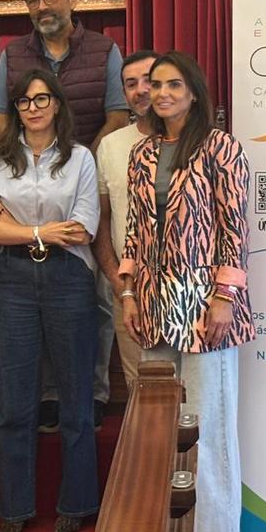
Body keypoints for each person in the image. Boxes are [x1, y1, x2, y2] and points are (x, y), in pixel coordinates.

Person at [118, 51, 254, 532]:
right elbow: (133, 228)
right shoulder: (142, 153)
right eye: (155, 85)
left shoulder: (222, 148)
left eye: (174, 84)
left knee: (207, 428)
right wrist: (127, 290)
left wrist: (225, 296)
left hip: (204, 306)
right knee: (162, 432)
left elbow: (235, 230)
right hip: (152, 304)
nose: (163, 93)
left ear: (194, 92)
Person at [0, 0, 128, 434]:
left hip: (89, 178)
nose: (41, 8)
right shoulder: (14, 53)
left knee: (98, 297)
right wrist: (27, 160)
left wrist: (73, 165)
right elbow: (0, 118)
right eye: (32, 1)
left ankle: (92, 392)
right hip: (28, 184)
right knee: (37, 296)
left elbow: (117, 114)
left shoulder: (104, 50)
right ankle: (49, 395)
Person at [0, 69, 101, 532]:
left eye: (41, 98)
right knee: (13, 400)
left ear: (57, 105)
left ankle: (78, 501)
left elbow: (82, 230)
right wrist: (42, 231)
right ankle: (15, 505)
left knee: (75, 397)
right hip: (13, 279)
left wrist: (19, 224)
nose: (33, 107)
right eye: (24, 101)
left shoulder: (80, 159)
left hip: (69, 277)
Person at [92, 50, 159, 405]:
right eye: (131, 84)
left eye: (149, 79)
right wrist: (117, 282)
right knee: (141, 394)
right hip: (129, 291)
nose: (141, 90)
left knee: (190, 399)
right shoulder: (112, 146)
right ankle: (151, 463)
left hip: (188, 293)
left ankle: (188, 464)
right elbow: (102, 220)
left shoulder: (203, 143)